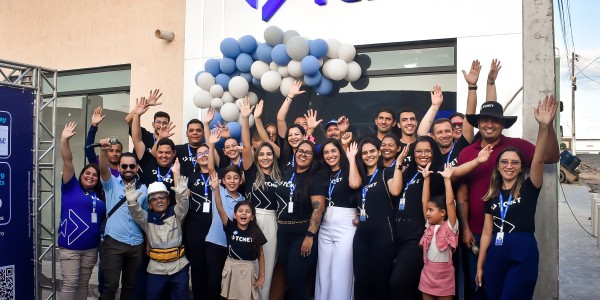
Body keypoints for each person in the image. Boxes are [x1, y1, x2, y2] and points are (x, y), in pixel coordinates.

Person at [457, 95, 560, 300]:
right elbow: (462, 194)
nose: (509, 166)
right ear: (478, 123)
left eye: (495, 119)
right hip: (482, 239)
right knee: (480, 290)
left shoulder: (525, 172)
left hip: (520, 246)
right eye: (484, 119)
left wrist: (546, 127)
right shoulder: (470, 158)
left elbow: (543, 159)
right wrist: (466, 229)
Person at [125, 161, 190, 300]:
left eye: (162, 197)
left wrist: (182, 193)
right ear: (149, 203)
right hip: (156, 269)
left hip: (179, 266)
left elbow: (183, 205)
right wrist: (131, 202)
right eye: (154, 199)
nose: (158, 201)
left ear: (168, 199)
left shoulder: (176, 213)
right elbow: (136, 213)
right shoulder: (147, 217)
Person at [58, 122, 107, 300]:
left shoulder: (101, 195)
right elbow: (68, 160)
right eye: (87, 173)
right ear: (81, 175)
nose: (91, 176)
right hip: (70, 248)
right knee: (70, 284)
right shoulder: (71, 186)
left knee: (83, 285)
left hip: (91, 249)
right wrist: (64, 140)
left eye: (95, 175)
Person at [240, 98, 282, 300]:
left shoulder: (279, 175)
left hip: (272, 222)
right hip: (252, 220)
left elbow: (273, 146)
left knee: (269, 265)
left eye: (269, 154)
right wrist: (246, 117)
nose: (265, 157)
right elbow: (247, 145)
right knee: (251, 263)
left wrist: (259, 121)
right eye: (262, 154)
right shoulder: (250, 172)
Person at [353, 137, 404, 300]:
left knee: (379, 281)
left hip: (383, 233)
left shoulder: (387, 171)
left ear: (379, 152)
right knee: (360, 280)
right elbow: (355, 191)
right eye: (365, 153)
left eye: (372, 151)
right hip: (362, 233)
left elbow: (395, 191)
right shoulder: (359, 177)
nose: (369, 155)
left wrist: (399, 163)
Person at [275, 140, 326, 300]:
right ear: (295, 153)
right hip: (283, 233)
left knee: (296, 278)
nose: (303, 155)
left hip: (302, 234)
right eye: (300, 151)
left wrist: (310, 236)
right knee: (289, 277)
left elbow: (318, 208)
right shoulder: (288, 171)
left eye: (308, 152)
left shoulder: (315, 178)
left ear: (313, 157)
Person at [98, 144, 148, 300]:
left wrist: (148, 242)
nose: (128, 169)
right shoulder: (111, 183)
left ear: (137, 167)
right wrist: (103, 151)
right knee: (110, 287)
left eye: (132, 166)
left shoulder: (144, 188)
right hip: (114, 242)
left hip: (137, 244)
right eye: (124, 165)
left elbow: (145, 218)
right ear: (119, 168)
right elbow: (103, 168)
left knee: (130, 287)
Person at [315, 139, 361, 300]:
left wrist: (351, 158)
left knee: (340, 272)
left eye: (333, 151)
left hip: (346, 224)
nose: (330, 155)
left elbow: (355, 185)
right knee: (323, 272)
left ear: (340, 152)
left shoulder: (349, 168)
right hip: (326, 224)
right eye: (326, 152)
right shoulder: (323, 173)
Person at [211, 172, 267, 300]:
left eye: (248, 212)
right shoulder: (230, 227)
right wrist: (216, 188)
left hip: (249, 270)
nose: (244, 214)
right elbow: (219, 207)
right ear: (235, 214)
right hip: (231, 269)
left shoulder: (256, 232)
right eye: (240, 211)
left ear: (252, 216)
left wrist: (262, 276)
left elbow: (261, 255)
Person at [206, 130, 246, 300]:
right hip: (215, 243)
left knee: (229, 284)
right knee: (214, 283)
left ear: (241, 180)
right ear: (223, 181)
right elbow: (210, 168)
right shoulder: (219, 191)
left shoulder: (243, 200)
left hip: (232, 245)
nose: (231, 181)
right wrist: (211, 145)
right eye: (228, 178)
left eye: (235, 178)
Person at [418, 163, 458, 300]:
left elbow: (450, 203)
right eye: (428, 210)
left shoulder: (450, 226)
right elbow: (424, 201)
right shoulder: (428, 225)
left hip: (444, 277)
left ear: (442, 213)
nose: (427, 213)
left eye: (431, 210)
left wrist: (447, 180)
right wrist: (426, 179)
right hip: (428, 275)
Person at [182, 143, 213, 300]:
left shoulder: (219, 174)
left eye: (206, 152)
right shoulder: (191, 177)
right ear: (196, 159)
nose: (203, 155)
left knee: (213, 267)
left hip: (215, 228)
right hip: (195, 228)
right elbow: (183, 200)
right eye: (199, 154)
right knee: (198, 267)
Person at [85, 106, 122, 177]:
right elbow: (88, 149)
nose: (114, 154)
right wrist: (94, 125)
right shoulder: (98, 165)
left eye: (117, 151)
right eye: (111, 150)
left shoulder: (125, 169)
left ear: (121, 153)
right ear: (106, 151)